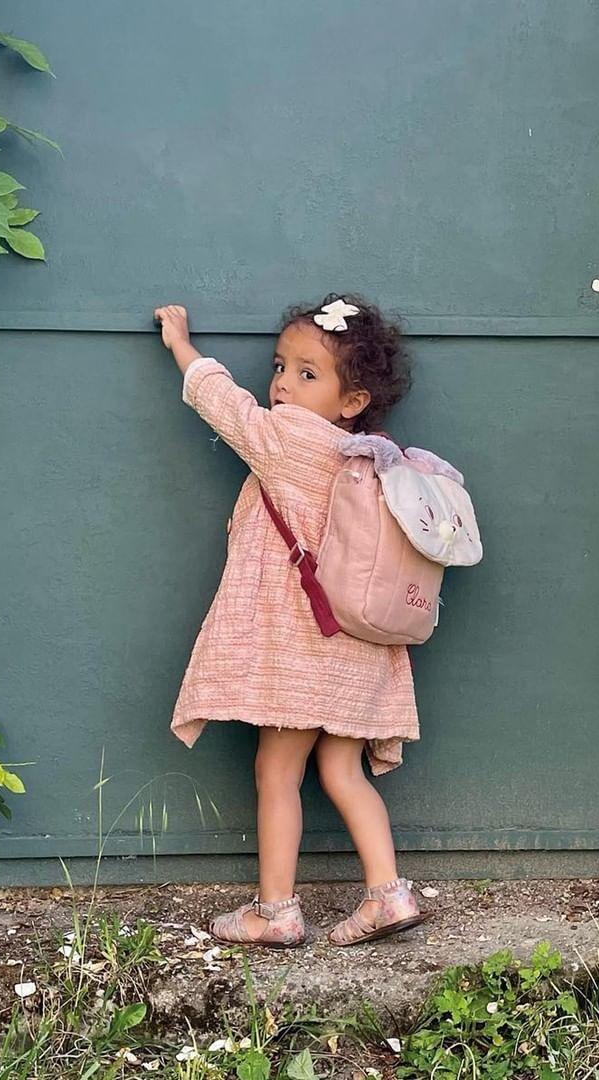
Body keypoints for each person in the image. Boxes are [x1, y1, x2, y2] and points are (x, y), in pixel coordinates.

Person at [153, 293, 426, 948]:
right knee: (341, 771)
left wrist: (181, 347)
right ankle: (388, 893)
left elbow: (225, 405)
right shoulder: (371, 457)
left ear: (351, 398)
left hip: (303, 650)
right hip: (357, 645)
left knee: (277, 772)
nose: (281, 383)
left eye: (308, 373)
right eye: (281, 366)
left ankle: (274, 911)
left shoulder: (290, 440)